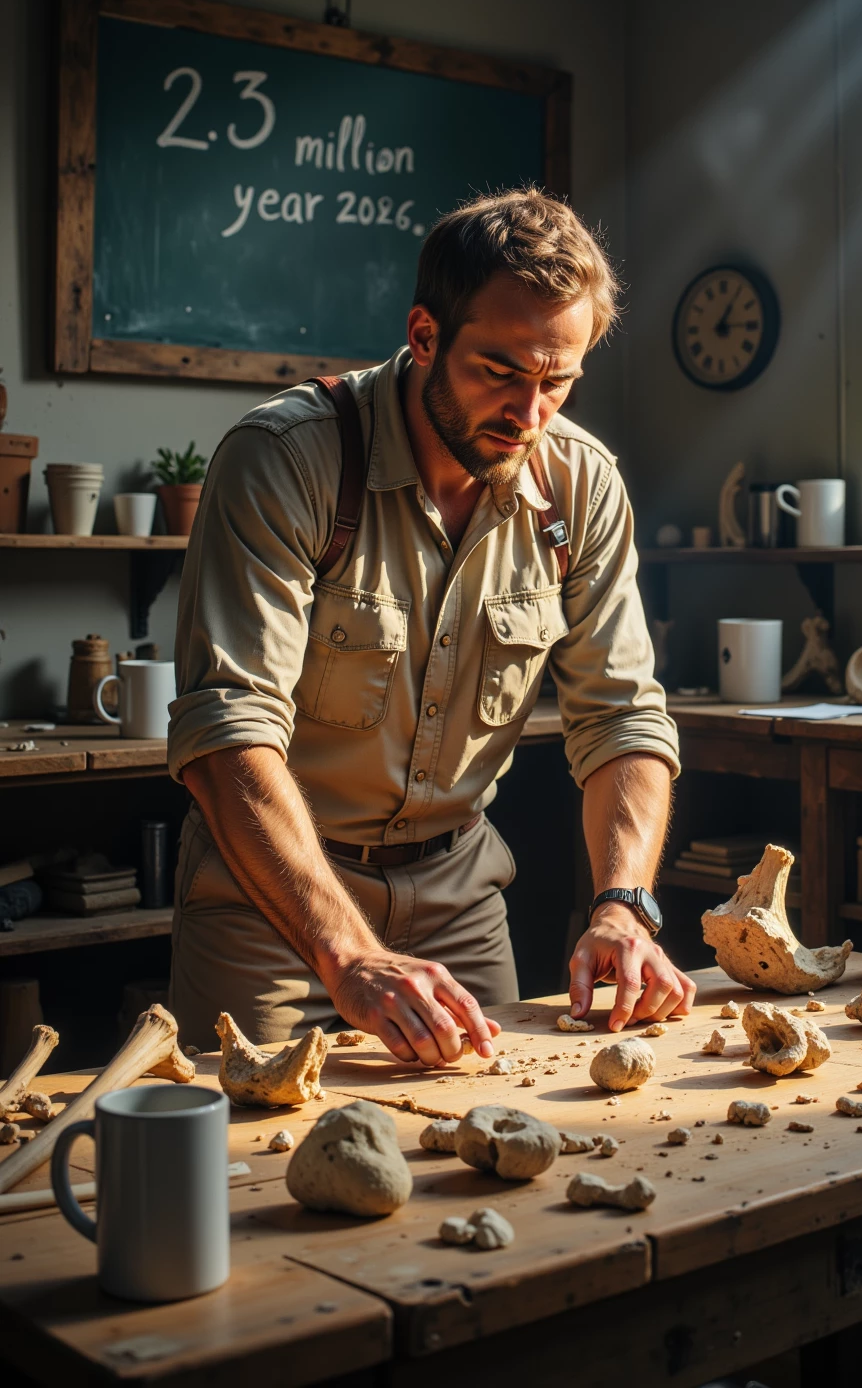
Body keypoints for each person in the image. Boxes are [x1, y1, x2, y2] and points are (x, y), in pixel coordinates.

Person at [168, 187, 694, 1063]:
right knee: (244, 1164)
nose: (530, 415)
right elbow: (228, 735)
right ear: (424, 337)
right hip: (272, 901)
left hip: (460, 896)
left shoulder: (581, 487)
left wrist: (623, 905)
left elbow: (624, 719)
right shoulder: (287, 462)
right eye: (501, 372)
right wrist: (349, 954)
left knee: (492, 1151)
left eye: (557, 381)